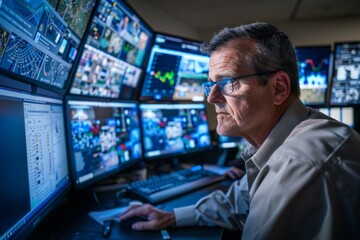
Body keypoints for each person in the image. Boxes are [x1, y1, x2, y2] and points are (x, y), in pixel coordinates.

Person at [119, 22, 360, 239]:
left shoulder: (298, 164)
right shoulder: (290, 134)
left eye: (226, 83)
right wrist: (172, 216)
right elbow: (241, 201)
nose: (212, 98)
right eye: (210, 85)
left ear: (279, 88)